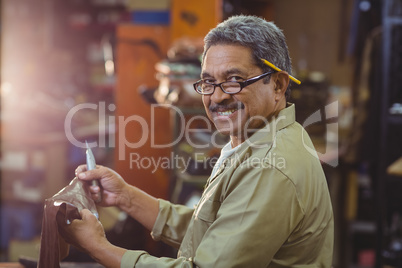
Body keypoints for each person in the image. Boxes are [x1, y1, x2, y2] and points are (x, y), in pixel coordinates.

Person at [59, 15, 334, 267]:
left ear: (278, 85)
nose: (217, 97)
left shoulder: (270, 166)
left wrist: (96, 246)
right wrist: (125, 197)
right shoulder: (261, 139)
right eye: (208, 82)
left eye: (234, 80)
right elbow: (217, 229)